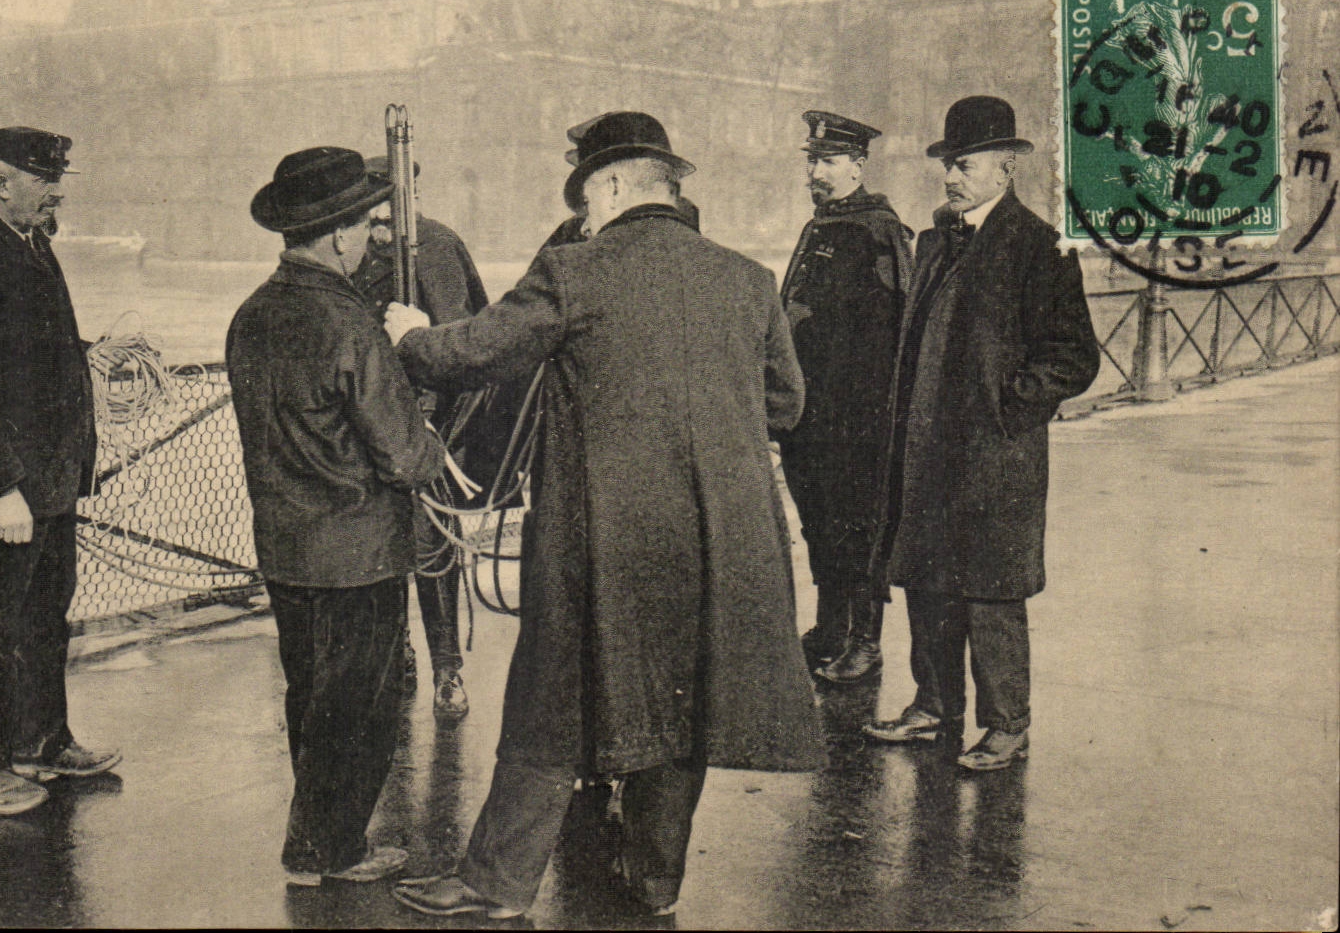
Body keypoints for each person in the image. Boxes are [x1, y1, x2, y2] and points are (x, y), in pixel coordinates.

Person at [386, 112, 826, 920]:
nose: (583, 215)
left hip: (603, 535)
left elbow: (473, 352)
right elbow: (786, 404)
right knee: (681, 699)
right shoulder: (747, 278)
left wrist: (412, 335)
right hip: (719, 539)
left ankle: (497, 881)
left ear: (616, 184)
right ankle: (656, 881)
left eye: (585, 196)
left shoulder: (574, 272)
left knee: (550, 693)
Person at [227, 146, 445, 884]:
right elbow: (405, 457)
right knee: (359, 710)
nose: (374, 238)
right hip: (359, 553)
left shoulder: (251, 315)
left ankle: (316, 838)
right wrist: (430, 435)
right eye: (367, 224)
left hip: (286, 548)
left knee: (311, 697)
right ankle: (330, 848)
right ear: (341, 235)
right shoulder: (349, 321)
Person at [862, 96, 1099, 771]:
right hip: (928, 450)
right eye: (948, 165)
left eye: (964, 165)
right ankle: (934, 706)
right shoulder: (936, 240)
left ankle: (1006, 723)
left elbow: (1074, 356)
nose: (951, 177)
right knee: (928, 582)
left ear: (1006, 168)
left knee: (992, 593)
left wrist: (1008, 406)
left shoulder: (1038, 245)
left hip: (995, 456)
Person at [0, 126, 119, 816]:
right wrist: (1, 486)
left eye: (57, 178)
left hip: (46, 486)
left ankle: (40, 741)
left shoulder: (28, 242)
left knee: (42, 616)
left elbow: (31, 352)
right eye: (44, 180)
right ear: (1, 183)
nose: (57, 191)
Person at [351, 156, 487, 720]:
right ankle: (398, 655)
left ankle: (447, 671)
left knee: (433, 554)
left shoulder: (436, 247)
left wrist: (438, 429)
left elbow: (461, 346)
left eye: (387, 210)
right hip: (367, 434)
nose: (379, 226)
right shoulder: (355, 253)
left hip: (431, 434)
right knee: (377, 557)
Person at [779, 111, 913, 684]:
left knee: (859, 524)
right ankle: (830, 628)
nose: (817, 172)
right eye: (812, 161)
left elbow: (892, 332)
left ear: (858, 166)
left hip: (857, 416)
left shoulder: (876, 230)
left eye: (829, 161)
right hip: (811, 413)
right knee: (819, 522)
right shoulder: (822, 226)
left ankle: (865, 641)